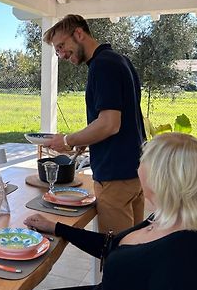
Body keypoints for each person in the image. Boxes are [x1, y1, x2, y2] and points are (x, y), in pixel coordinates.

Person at [0, 133, 197, 290]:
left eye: (144, 161)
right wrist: (58, 228)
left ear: (161, 178)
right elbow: (112, 246)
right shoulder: (165, 218)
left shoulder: (184, 255)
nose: (137, 166)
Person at [43, 14, 146, 234]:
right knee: (135, 248)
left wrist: (67, 140)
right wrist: (86, 141)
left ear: (78, 33)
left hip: (115, 176)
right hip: (135, 171)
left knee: (116, 255)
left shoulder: (102, 65)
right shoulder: (119, 60)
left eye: (62, 46)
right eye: (57, 50)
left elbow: (110, 124)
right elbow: (123, 120)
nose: (61, 54)